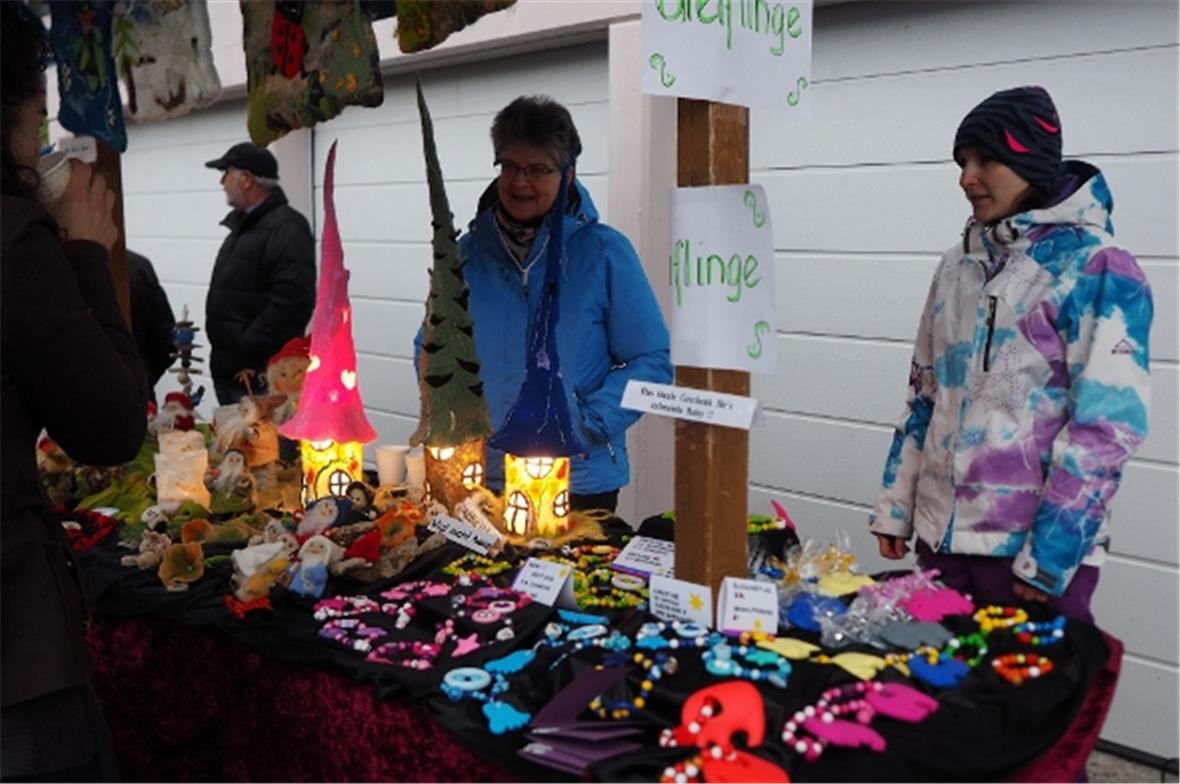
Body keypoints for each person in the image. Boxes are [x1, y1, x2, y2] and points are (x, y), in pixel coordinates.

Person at [868, 86, 1153, 622]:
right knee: (937, 698)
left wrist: (1050, 558)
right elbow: (925, 393)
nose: (966, 178)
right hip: (941, 544)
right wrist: (897, 508)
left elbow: (1106, 429)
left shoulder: (1098, 268)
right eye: (961, 162)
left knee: (1025, 704)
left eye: (986, 159)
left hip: (1028, 561)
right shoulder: (958, 264)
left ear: (1030, 161)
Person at [1, 4, 149, 779]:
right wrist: (87, 252)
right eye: (34, 118)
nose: (37, 144)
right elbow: (111, 425)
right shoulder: (14, 240)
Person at [446, 95, 672, 513]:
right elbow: (431, 346)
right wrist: (452, 416)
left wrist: (589, 422)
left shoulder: (604, 252)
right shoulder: (464, 256)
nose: (520, 183)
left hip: (578, 481)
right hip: (483, 477)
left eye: (538, 169)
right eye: (510, 166)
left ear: (568, 175)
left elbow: (652, 361)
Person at [203, 142, 315, 405]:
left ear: (246, 179)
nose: (222, 181)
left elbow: (293, 302)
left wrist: (246, 345)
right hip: (234, 372)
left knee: (265, 445)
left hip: (261, 376)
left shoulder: (286, 227)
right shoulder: (245, 227)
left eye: (226, 172)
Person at [127, 249, 177, 399]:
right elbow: (167, 340)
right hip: (138, 385)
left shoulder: (64, 271)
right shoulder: (137, 265)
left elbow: (166, 339)